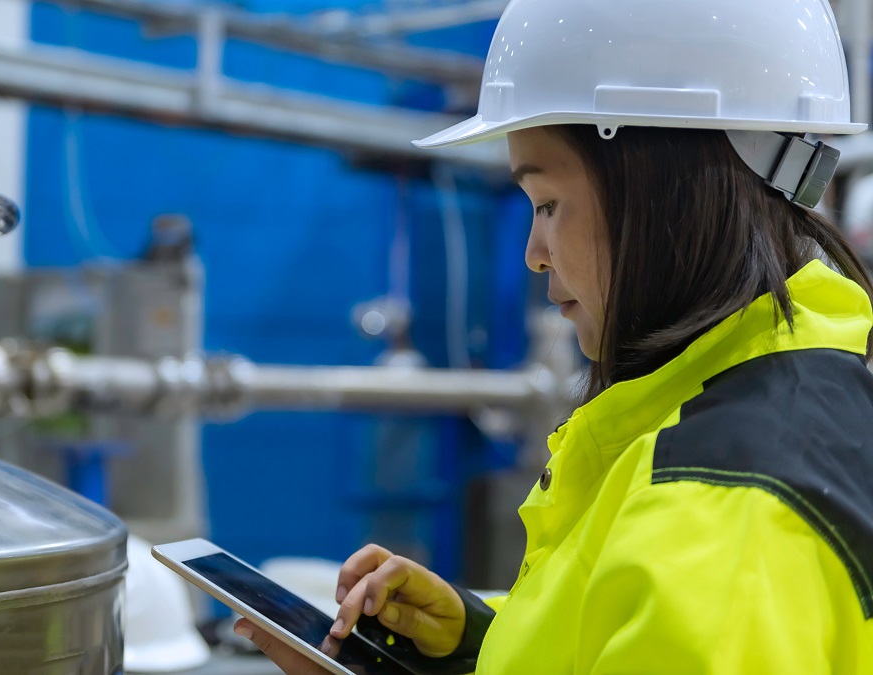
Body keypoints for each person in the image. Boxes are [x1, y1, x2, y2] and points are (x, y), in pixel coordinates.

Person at [233, 0, 873, 671]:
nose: (536, 253)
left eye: (547, 204)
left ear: (664, 193)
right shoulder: (767, 398)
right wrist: (474, 644)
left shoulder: (722, 514)